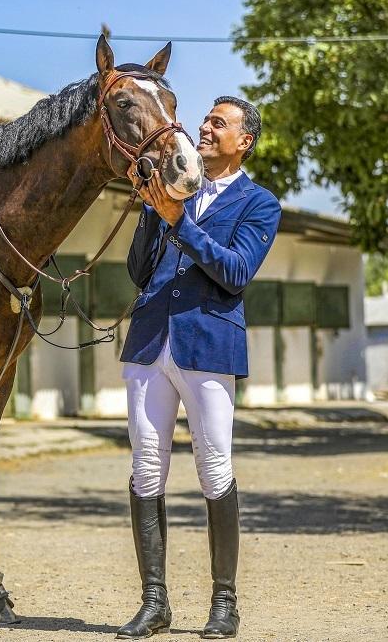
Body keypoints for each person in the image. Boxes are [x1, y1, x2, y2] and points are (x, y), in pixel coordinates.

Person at [115, 96, 281, 640]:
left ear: (244, 140)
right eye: (206, 121)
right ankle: (154, 601)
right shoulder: (173, 188)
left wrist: (178, 220)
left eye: (219, 123)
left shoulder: (260, 203)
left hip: (209, 345)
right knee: (146, 468)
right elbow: (140, 271)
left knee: (214, 468)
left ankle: (224, 603)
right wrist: (150, 208)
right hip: (150, 341)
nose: (205, 128)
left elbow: (234, 272)